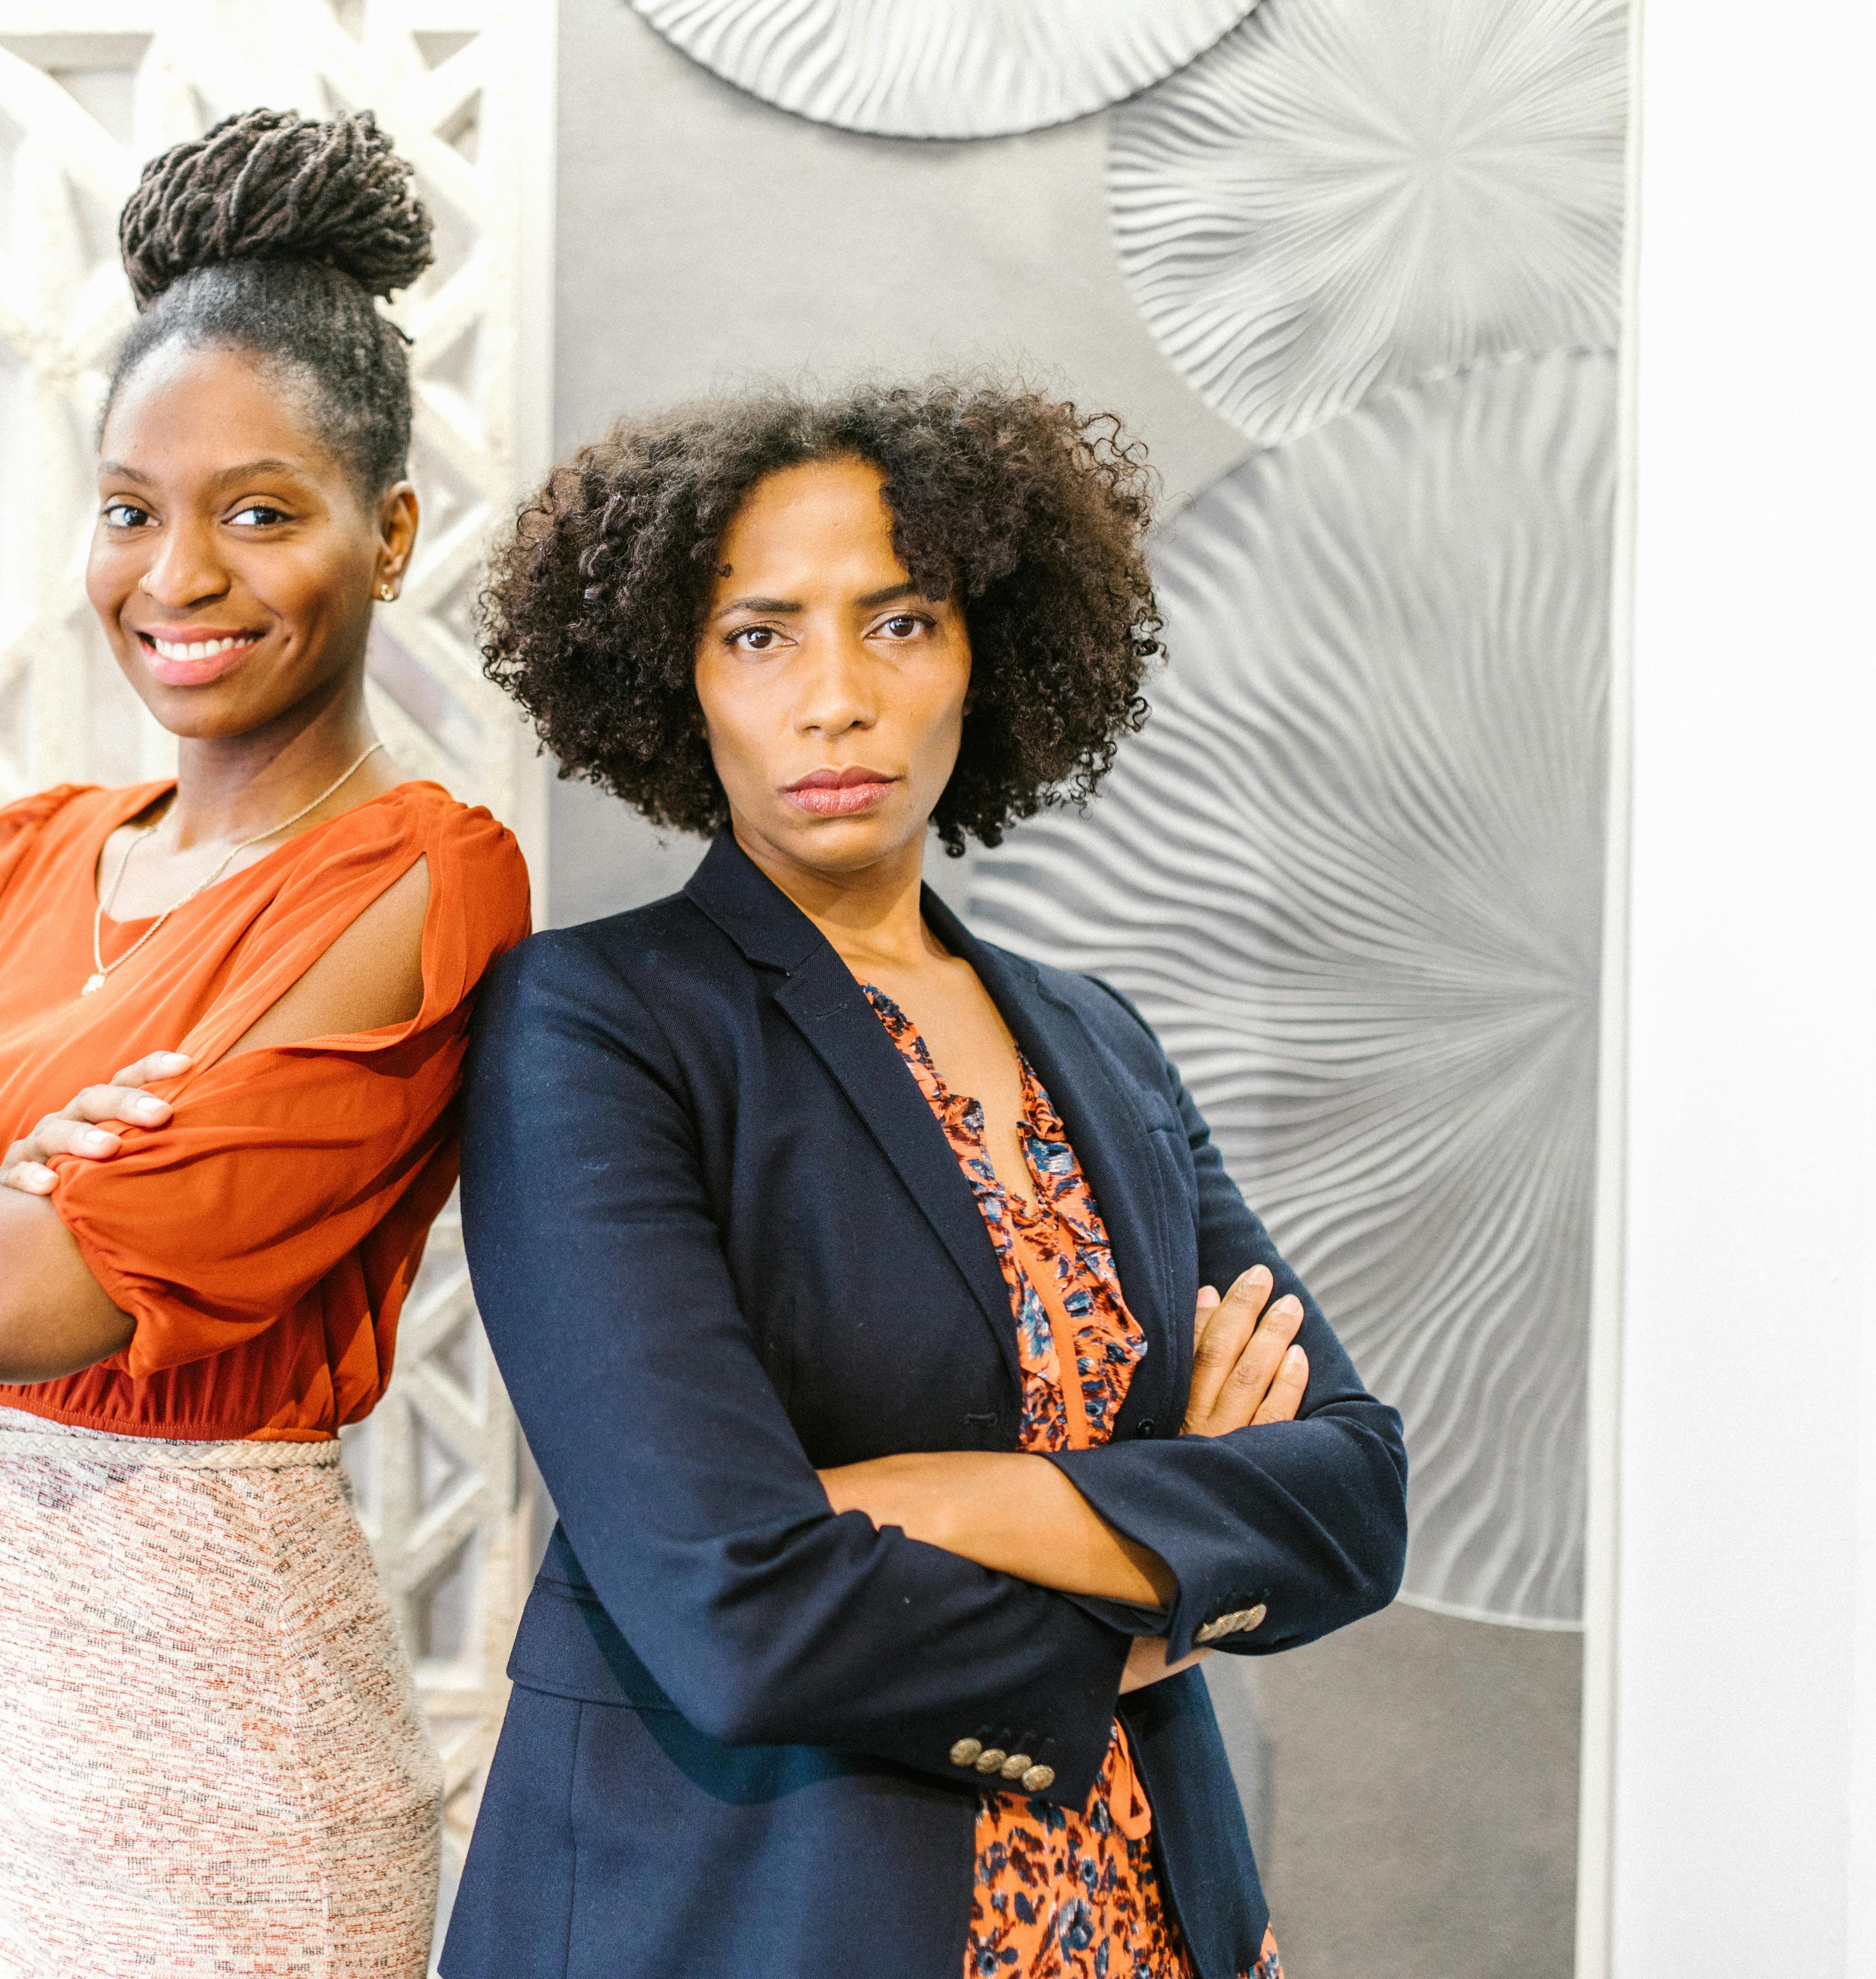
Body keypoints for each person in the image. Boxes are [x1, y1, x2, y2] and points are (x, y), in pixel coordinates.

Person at [0, 109, 531, 1978]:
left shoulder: (420, 877)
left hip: (223, 1763)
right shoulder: (32, 853)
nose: (180, 576)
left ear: (387, 532)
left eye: (260, 509)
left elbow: (15, 1311)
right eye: (133, 509)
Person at [441, 381, 1407, 1978]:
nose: (836, 698)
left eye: (899, 625)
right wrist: (1163, 1579)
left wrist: (917, 1502)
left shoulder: (1099, 1042)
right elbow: (737, 1612)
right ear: (678, 679)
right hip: (757, 1913)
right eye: (762, 635)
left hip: (1146, 1922)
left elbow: (1352, 1495)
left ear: (988, 657)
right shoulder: (593, 1027)